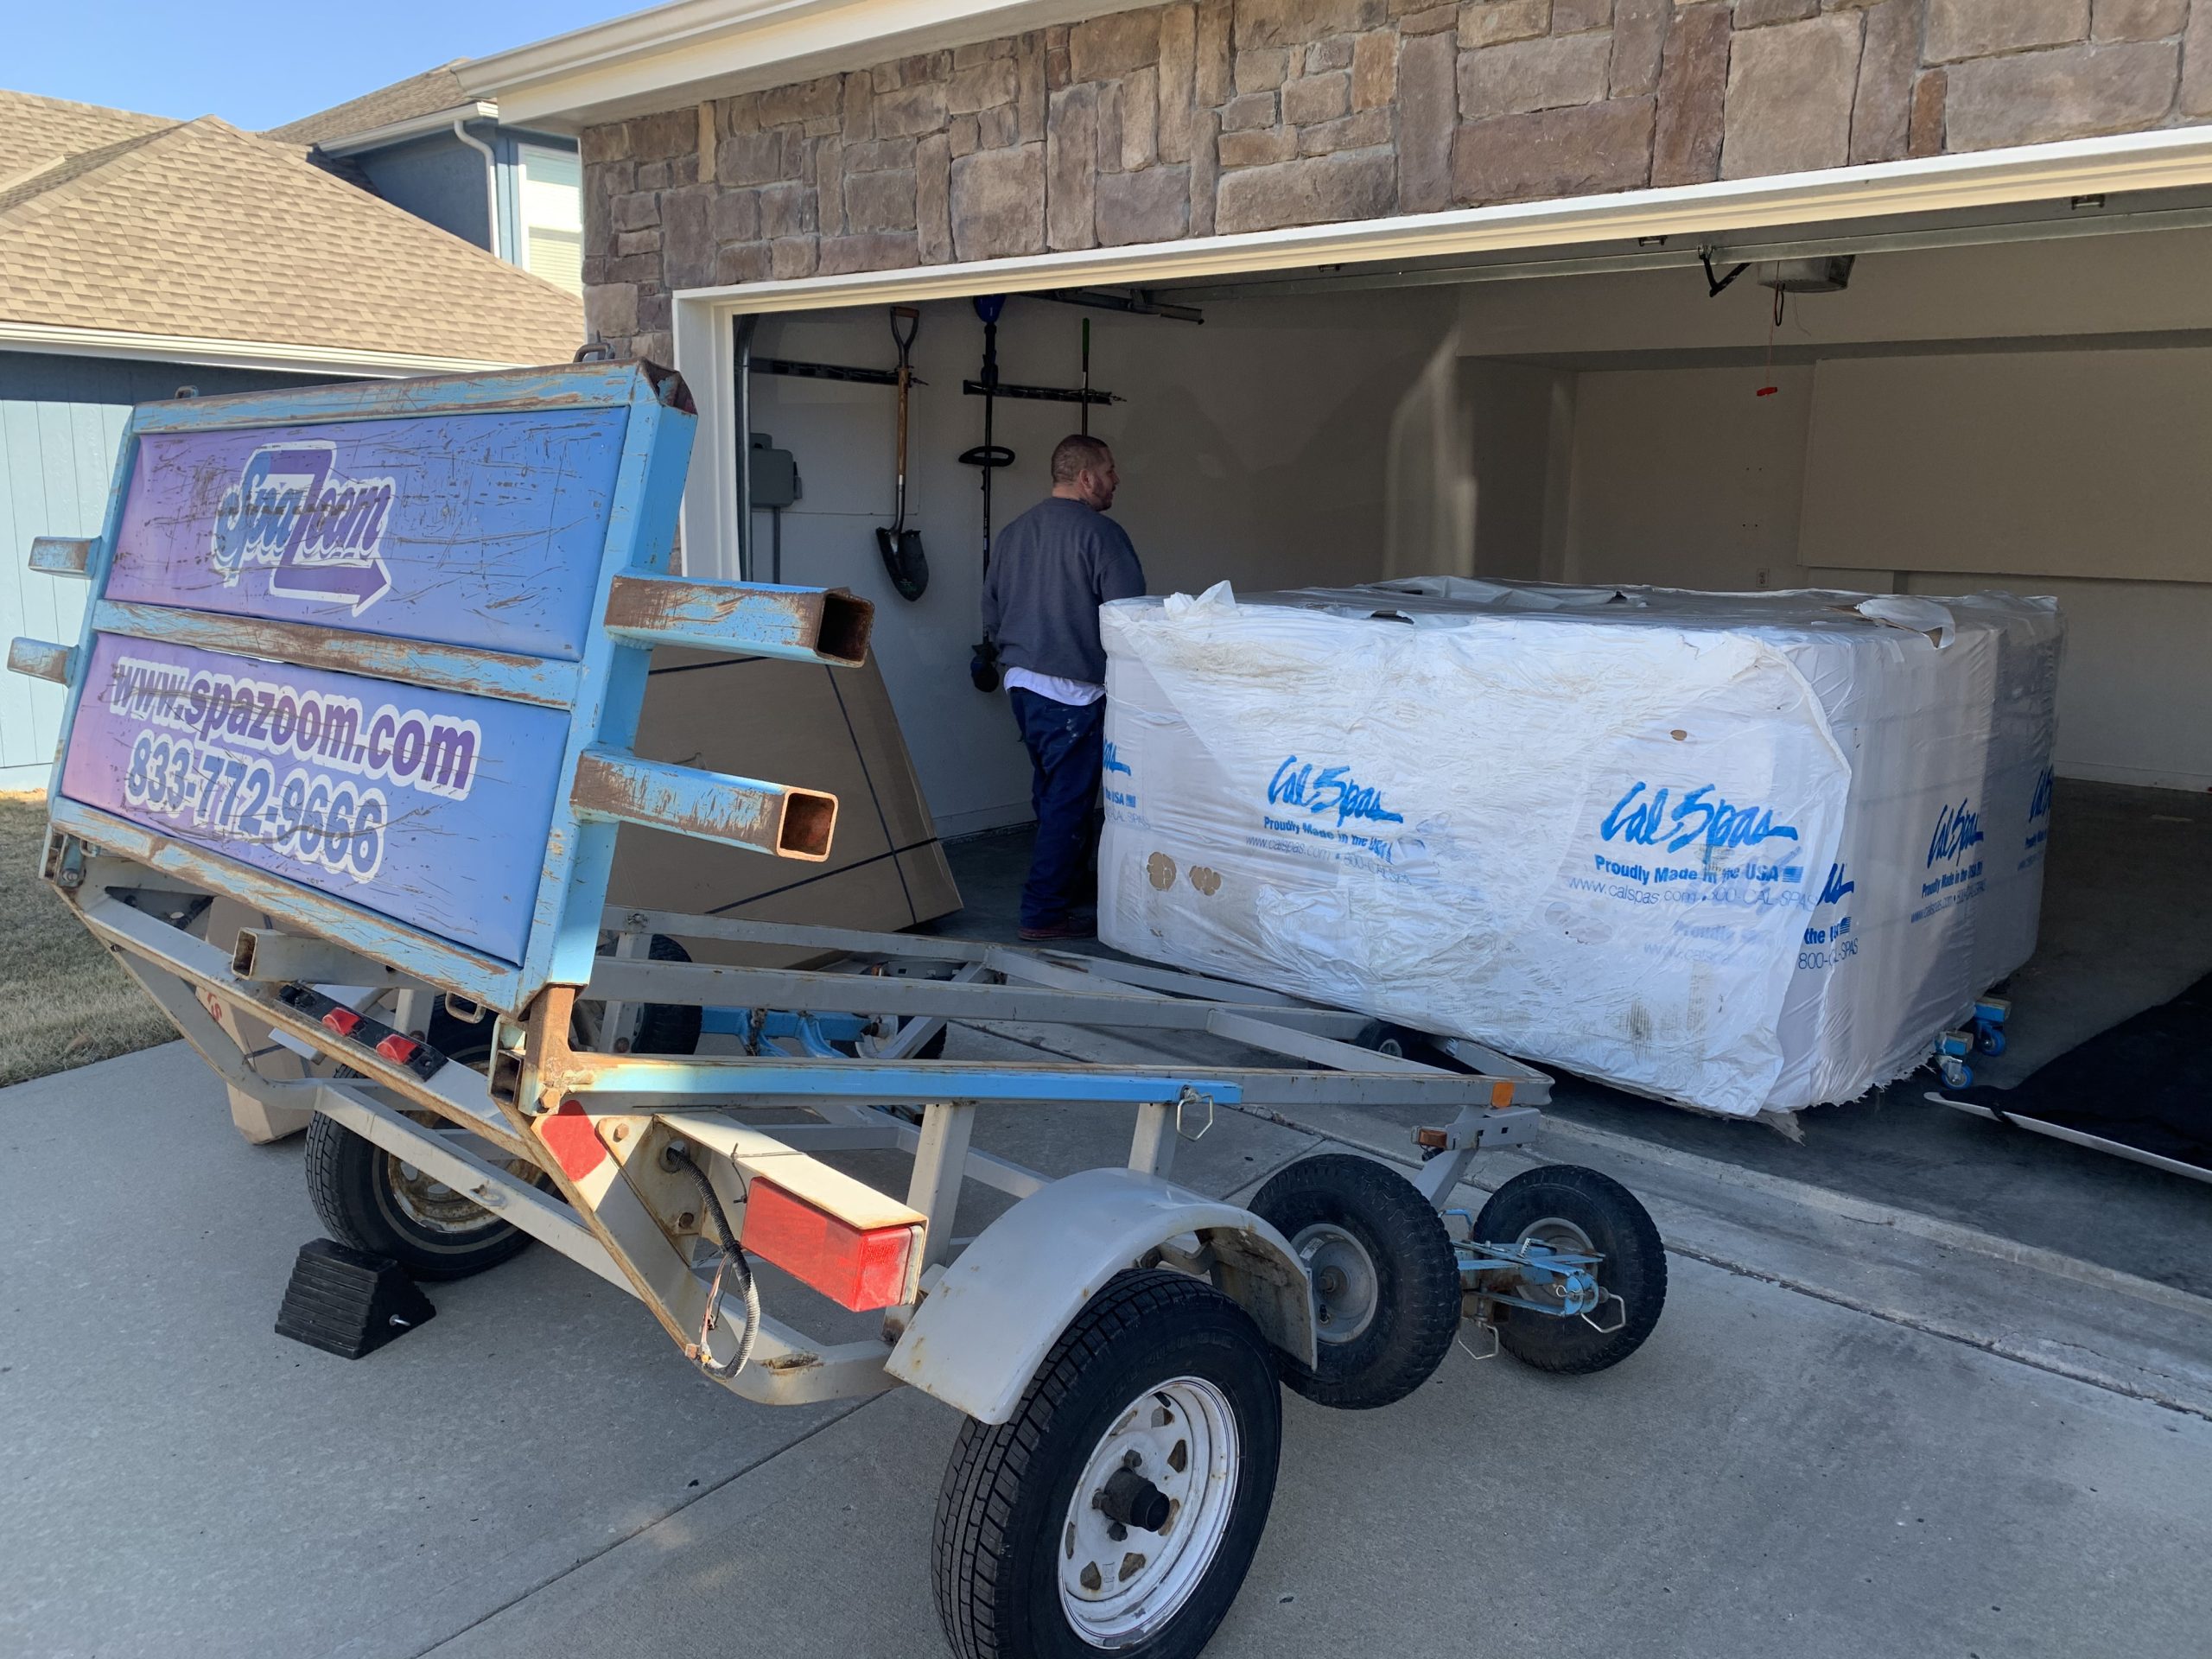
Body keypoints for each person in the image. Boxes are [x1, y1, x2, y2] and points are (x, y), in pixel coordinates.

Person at [979, 434, 1144, 941]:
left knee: (1051, 792)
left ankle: (1070, 887)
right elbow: (1129, 619)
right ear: (1087, 477)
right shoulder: (1101, 534)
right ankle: (1044, 912)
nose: (1117, 480)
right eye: (1111, 471)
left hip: (1022, 686)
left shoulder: (1011, 534)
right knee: (1068, 803)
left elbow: (991, 611)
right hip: (1076, 691)